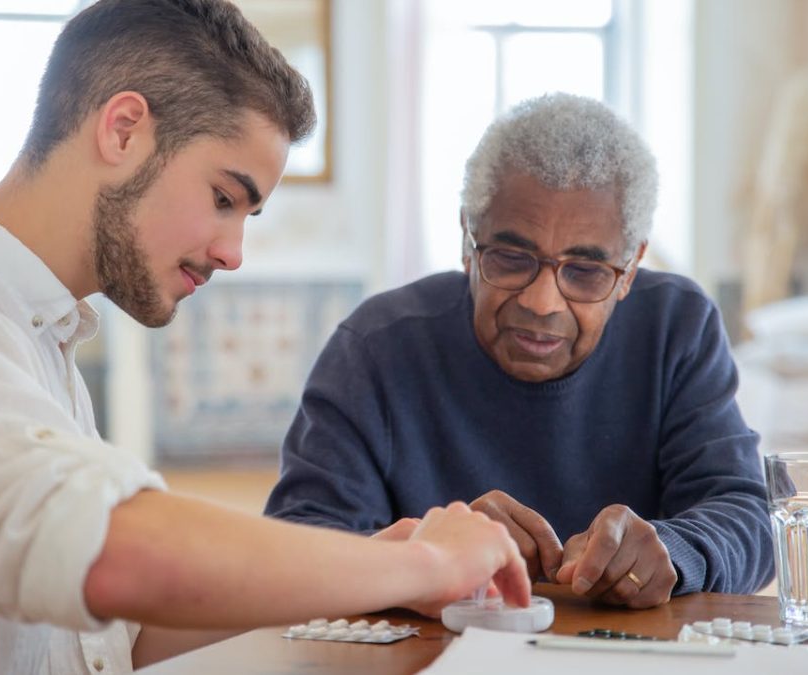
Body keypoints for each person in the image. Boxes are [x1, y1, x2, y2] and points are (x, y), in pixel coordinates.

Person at [0, 1, 530, 672]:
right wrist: (417, 559)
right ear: (123, 129)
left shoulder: (30, 335)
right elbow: (117, 553)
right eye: (225, 197)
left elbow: (115, 630)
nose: (233, 252)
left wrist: (378, 573)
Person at [265, 92, 774, 610]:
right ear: (468, 240)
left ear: (630, 268)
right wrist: (429, 553)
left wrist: (676, 548)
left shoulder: (677, 328)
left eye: (586, 271)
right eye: (511, 258)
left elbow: (748, 516)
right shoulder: (376, 347)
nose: (541, 301)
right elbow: (297, 548)